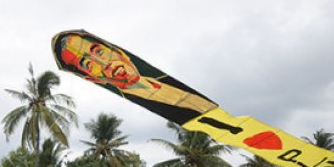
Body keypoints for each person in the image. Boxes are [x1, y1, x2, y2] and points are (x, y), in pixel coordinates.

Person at [53, 30, 219, 126]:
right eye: (88, 64)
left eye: (99, 51)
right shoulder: (144, 101)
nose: (104, 63)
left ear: (119, 52)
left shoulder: (162, 80)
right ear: (93, 79)